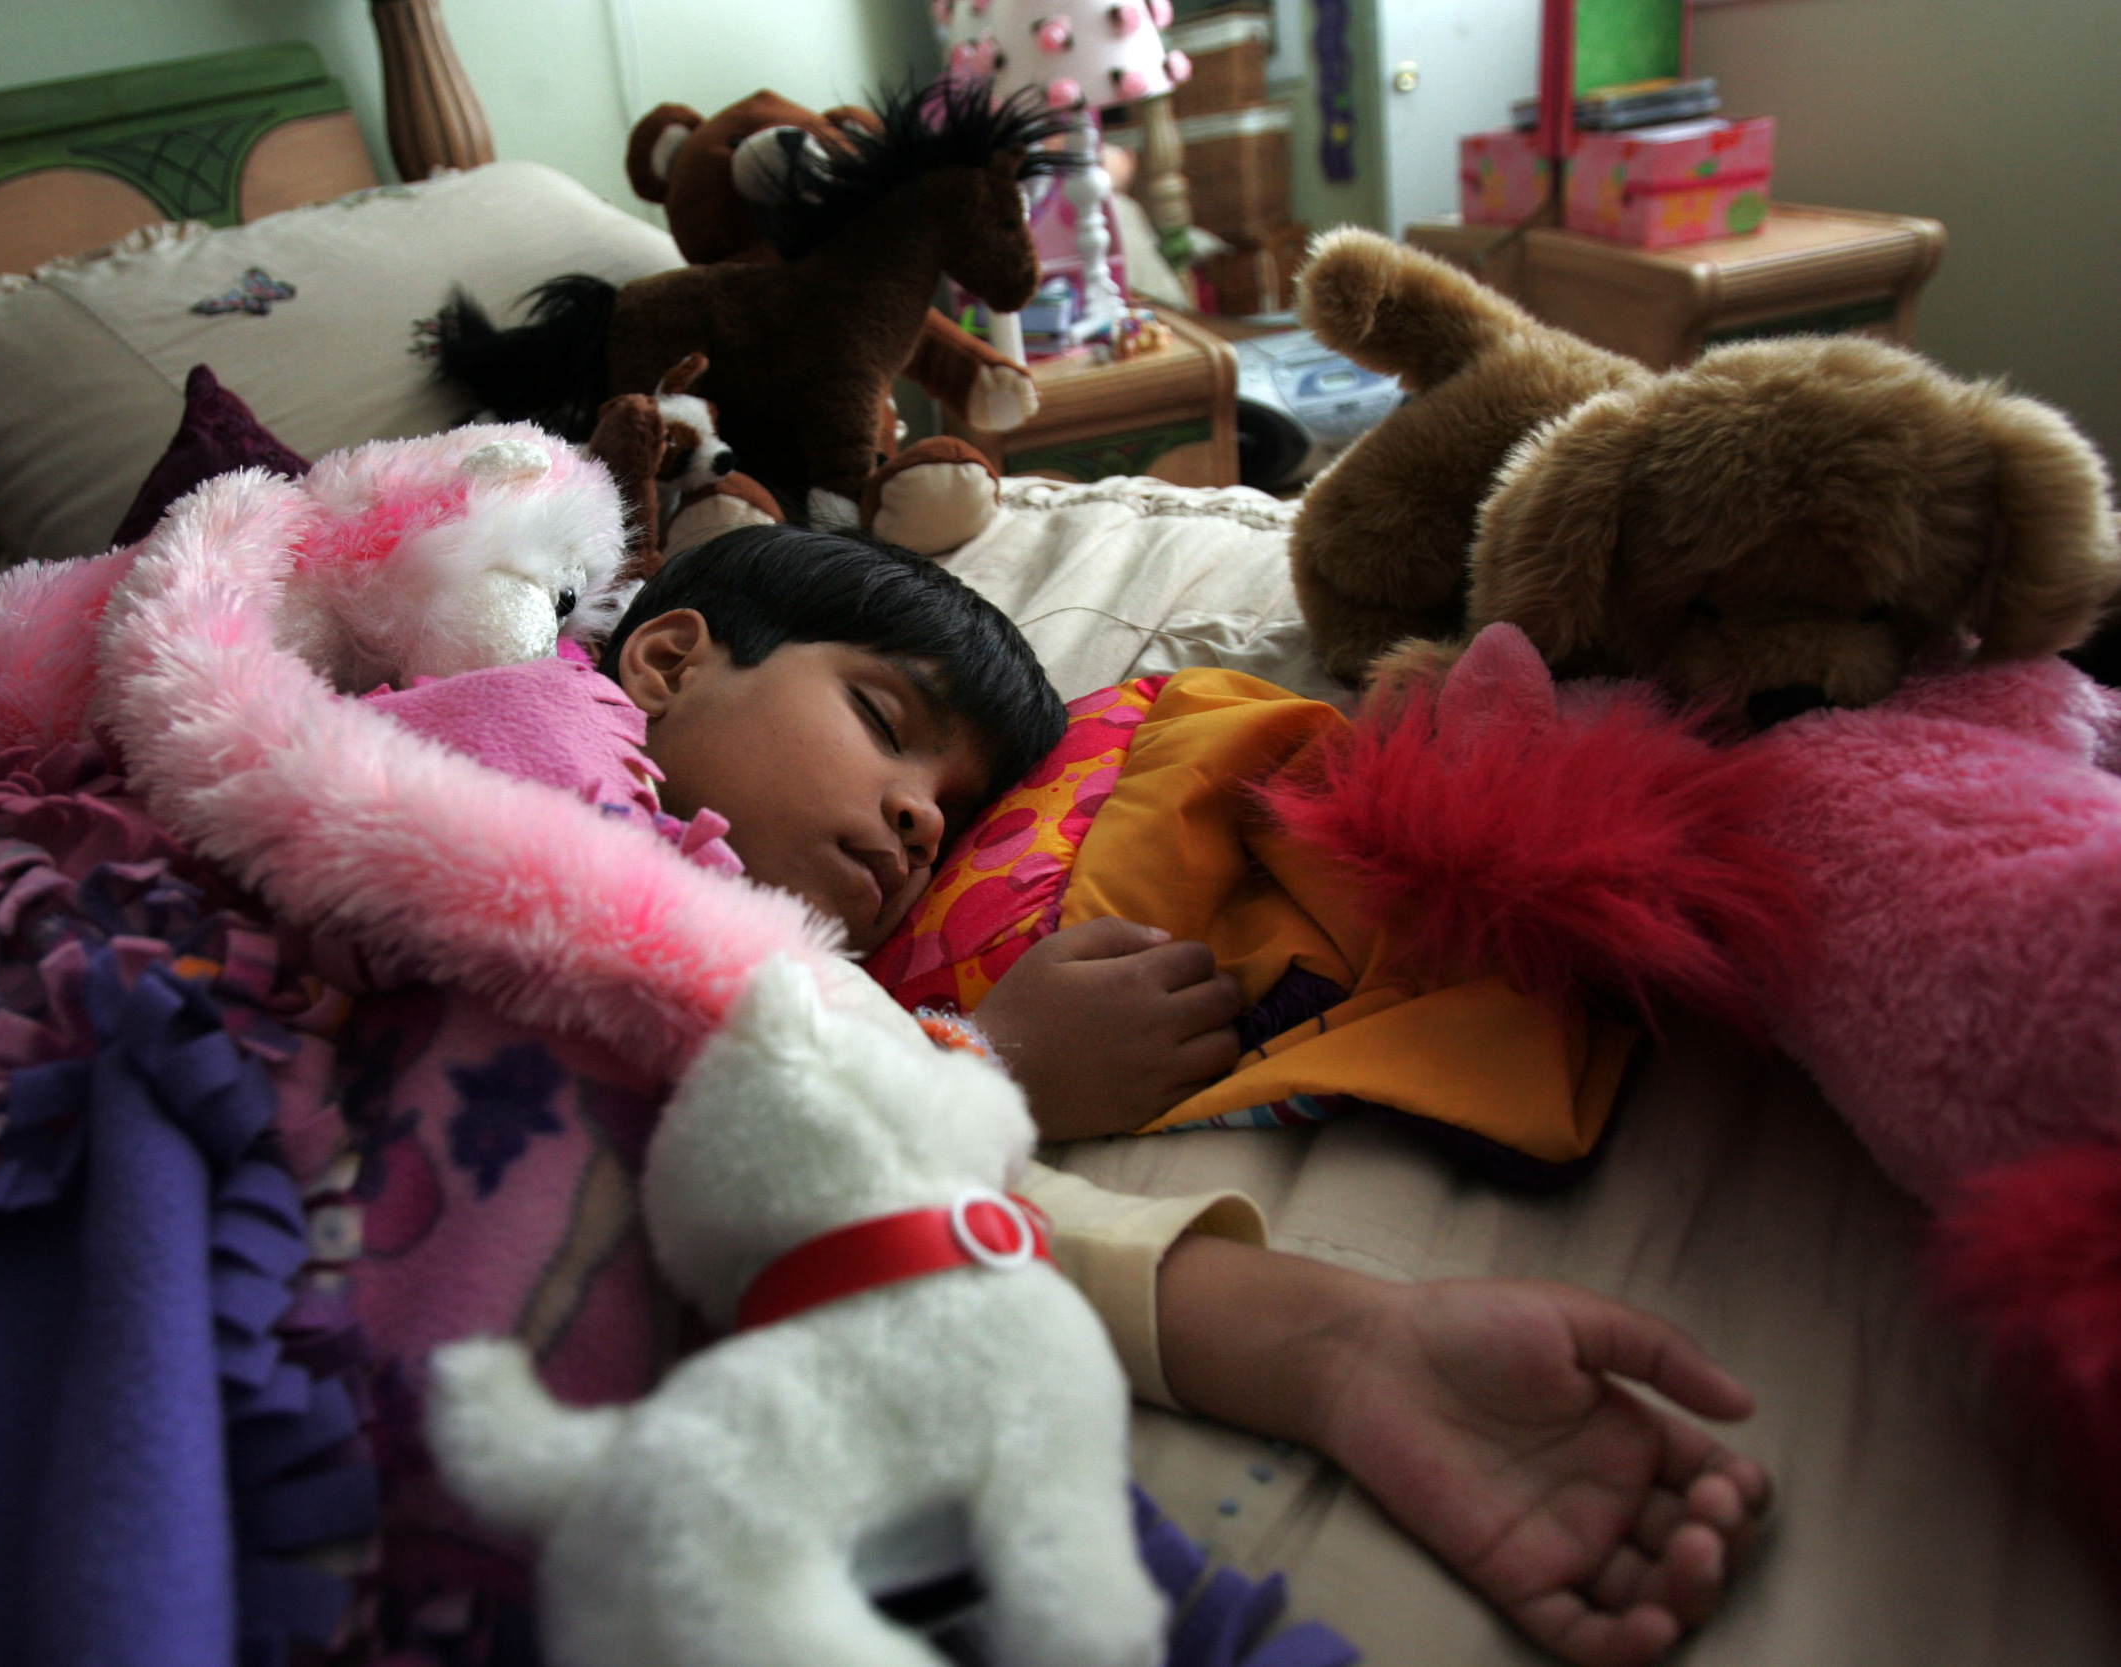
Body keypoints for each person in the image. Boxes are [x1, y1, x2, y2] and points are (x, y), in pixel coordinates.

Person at [598, 524, 1772, 1667]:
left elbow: (825, 1185)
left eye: (950, 808)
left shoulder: (798, 991)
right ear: (666, 659)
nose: (920, 818)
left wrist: (1348, 1347)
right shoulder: (510, 746)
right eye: (882, 719)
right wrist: (998, 1061)